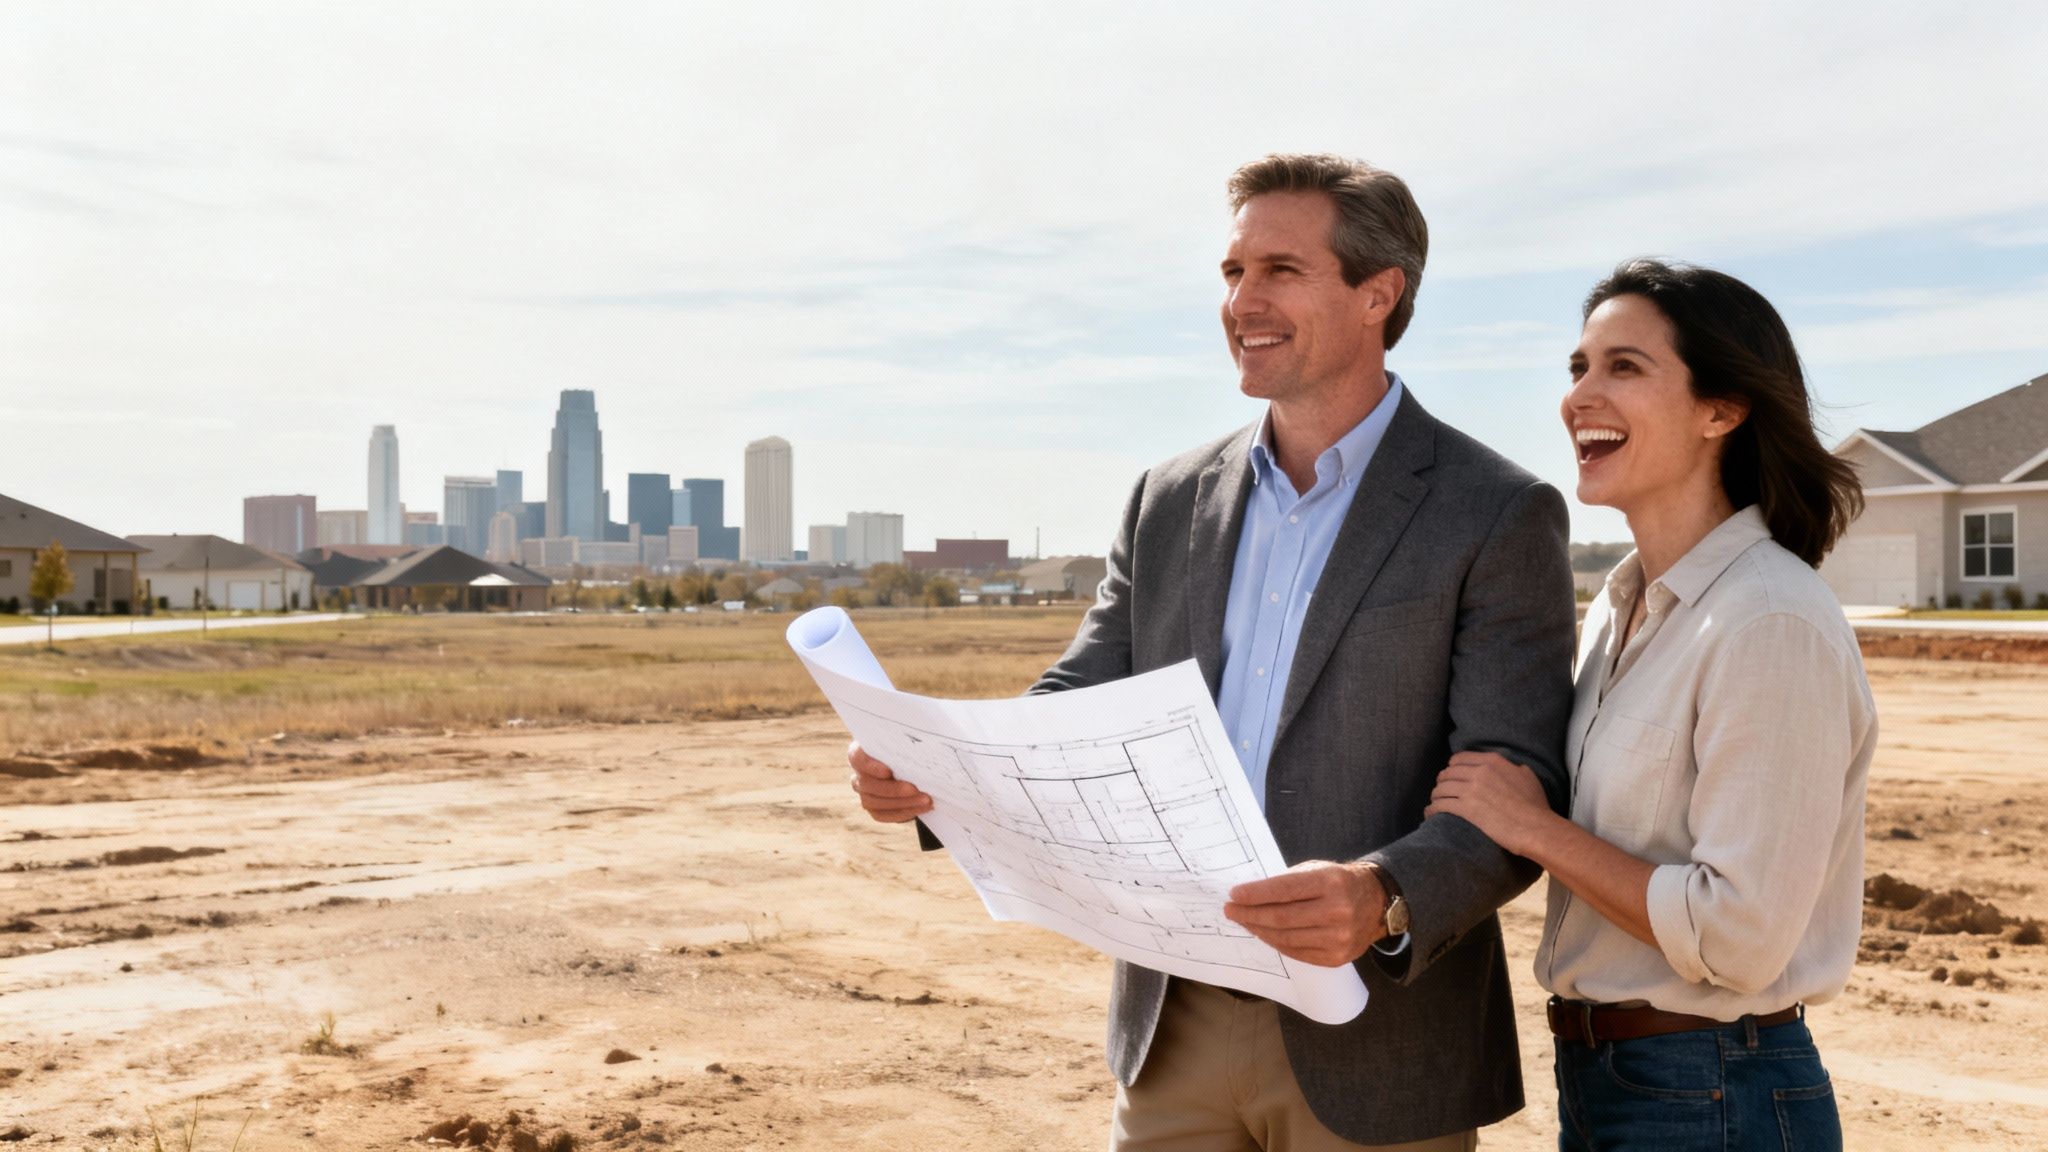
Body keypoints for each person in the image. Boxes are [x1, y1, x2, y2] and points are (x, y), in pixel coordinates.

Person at [850, 153, 1578, 1150]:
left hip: (1375, 1034)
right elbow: (1084, 690)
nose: (1242, 299)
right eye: (1231, 273)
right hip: (1172, 1023)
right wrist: (942, 766)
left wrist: (1380, 896)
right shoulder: (1167, 497)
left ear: (1378, 292)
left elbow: (1516, 779)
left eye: (1278, 269)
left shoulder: (1491, 511)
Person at [1427, 259, 1873, 1151]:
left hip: (1716, 1090)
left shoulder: (1769, 620)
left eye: (1624, 367)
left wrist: (1536, 830)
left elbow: (1738, 934)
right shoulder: (1619, 607)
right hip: (1615, 1080)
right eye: (1578, 368)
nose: (1580, 396)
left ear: (1723, 409)